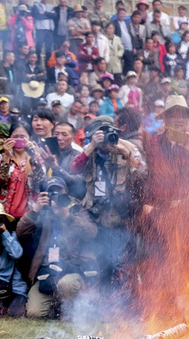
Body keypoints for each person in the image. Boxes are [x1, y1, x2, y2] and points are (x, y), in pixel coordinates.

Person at [69, 116, 146, 284]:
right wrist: (91, 147)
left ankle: (123, 298)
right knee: (100, 261)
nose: (105, 138)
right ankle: (103, 297)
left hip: (120, 215)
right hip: (96, 214)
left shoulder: (128, 147)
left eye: (108, 132)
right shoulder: (89, 150)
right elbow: (73, 169)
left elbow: (143, 174)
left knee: (120, 262)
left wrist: (125, 154)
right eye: (100, 134)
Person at [17, 176, 97, 319]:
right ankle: (57, 306)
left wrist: (68, 216)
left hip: (73, 268)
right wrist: (35, 210)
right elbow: (21, 233)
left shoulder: (75, 208)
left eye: (59, 192)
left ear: (66, 191)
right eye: (51, 192)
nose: (56, 196)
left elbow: (92, 233)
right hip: (47, 271)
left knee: (66, 284)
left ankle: (68, 307)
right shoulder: (41, 211)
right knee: (35, 313)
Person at [0, 122, 45, 220]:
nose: (18, 140)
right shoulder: (2, 157)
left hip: (29, 213)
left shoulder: (36, 157)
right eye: (15, 137)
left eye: (22, 137)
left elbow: (40, 180)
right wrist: (7, 156)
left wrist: (33, 157)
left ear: (29, 138)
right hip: (5, 212)